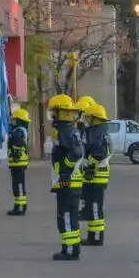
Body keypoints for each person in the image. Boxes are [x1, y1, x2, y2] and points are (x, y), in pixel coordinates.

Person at [48, 94, 85, 261]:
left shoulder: (66, 132)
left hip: (68, 182)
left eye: (55, 112)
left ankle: (70, 250)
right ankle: (70, 247)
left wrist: (64, 172)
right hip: (68, 182)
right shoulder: (68, 131)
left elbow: (76, 153)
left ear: (62, 113)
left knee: (67, 217)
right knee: (68, 216)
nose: (53, 116)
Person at [82, 101, 111, 247]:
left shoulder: (96, 132)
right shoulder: (102, 131)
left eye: (89, 118)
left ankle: (96, 237)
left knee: (94, 208)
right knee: (94, 207)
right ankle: (93, 236)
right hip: (99, 176)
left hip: (96, 176)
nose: (86, 121)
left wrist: (89, 167)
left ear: (95, 118)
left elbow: (99, 152)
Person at [6, 108, 31, 216]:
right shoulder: (21, 130)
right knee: (18, 185)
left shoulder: (19, 130)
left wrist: (15, 152)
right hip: (17, 162)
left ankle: (20, 208)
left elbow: (19, 143)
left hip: (18, 162)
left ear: (20, 120)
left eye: (15, 120)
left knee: (19, 185)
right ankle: (18, 206)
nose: (13, 122)